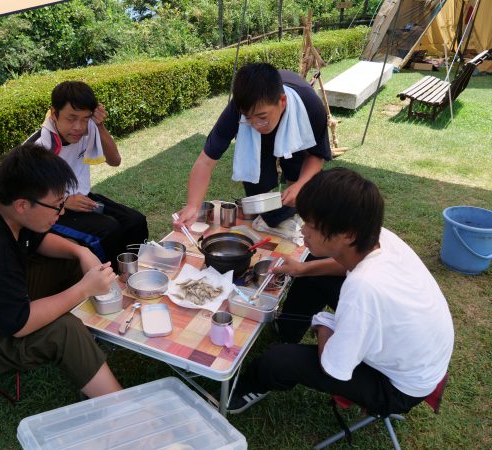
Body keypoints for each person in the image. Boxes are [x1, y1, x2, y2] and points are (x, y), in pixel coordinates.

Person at [227, 168, 454, 417]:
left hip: (398, 386)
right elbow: (343, 264)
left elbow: (333, 367)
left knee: (277, 360)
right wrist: (302, 269)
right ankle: (287, 332)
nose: (303, 231)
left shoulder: (363, 287)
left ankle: (246, 388)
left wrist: (323, 325)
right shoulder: (378, 236)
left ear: (347, 234)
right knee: (313, 271)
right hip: (417, 351)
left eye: (311, 226)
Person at [0, 143, 122, 399]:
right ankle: (122, 407)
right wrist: (84, 289)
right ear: (22, 205)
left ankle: (102, 338)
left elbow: (38, 240)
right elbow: (19, 324)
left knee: (70, 256)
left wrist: (81, 252)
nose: (62, 211)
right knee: (64, 330)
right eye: (57, 205)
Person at [176, 62, 331, 228]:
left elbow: (316, 155)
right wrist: (193, 205)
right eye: (248, 118)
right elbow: (205, 161)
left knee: (298, 181)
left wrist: (300, 185)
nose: (256, 126)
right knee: (257, 187)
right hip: (256, 143)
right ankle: (267, 221)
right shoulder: (237, 109)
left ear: (282, 101)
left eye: (262, 117)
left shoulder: (311, 108)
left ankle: (296, 217)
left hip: (295, 134)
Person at [28, 80, 148, 267]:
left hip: (81, 198)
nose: (78, 127)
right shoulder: (39, 147)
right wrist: (64, 201)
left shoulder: (88, 129)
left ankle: (137, 270)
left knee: (135, 221)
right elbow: (22, 195)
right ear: (54, 114)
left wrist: (99, 126)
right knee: (109, 230)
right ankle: (113, 276)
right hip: (51, 210)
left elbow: (115, 160)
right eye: (71, 118)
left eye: (85, 118)